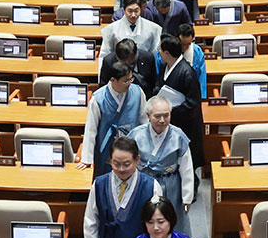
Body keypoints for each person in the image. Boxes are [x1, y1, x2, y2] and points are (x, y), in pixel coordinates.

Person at [84, 137, 162, 238]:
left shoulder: (151, 186)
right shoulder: (99, 184)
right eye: (116, 164)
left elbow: (158, 225)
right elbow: (91, 219)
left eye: (126, 164)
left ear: (137, 160)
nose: (121, 169)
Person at [127, 100, 195, 235]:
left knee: (172, 219)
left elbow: (186, 168)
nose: (162, 120)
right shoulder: (136, 135)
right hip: (144, 183)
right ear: (148, 115)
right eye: (157, 116)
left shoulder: (178, 136)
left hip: (170, 183)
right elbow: (129, 162)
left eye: (166, 115)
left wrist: (187, 197)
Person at [80, 60, 146, 172]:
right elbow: (91, 130)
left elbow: (144, 122)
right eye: (125, 81)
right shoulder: (98, 99)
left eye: (131, 79)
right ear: (113, 80)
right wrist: (87, 159)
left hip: (131, 148)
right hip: (107, 149)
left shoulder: (138, 93)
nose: (129, 83)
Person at [153, 34, 205, 170]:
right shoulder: (166, 67)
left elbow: (192, 103)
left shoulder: (187, 73)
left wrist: (169, 110)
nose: (158, 52)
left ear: (167, 53)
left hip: (185, 124)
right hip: (170, 122)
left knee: (187, 164)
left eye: (159, 50)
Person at [103, 0, 162, 72]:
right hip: (119, 71)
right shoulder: (111, 29)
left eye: (136, 11)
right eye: (130, 11)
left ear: (141, 10)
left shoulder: (154, 28)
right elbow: (105, 55)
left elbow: (155, 54)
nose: (133, 15)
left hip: (144, 71)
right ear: (124, 10)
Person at [163, 23, 207, 99]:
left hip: (190, 93)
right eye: (182, 44)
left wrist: (202, 98)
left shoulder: (197, 52)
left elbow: (202, 77)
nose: (185, 47)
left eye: (188, 44)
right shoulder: (167, 52)